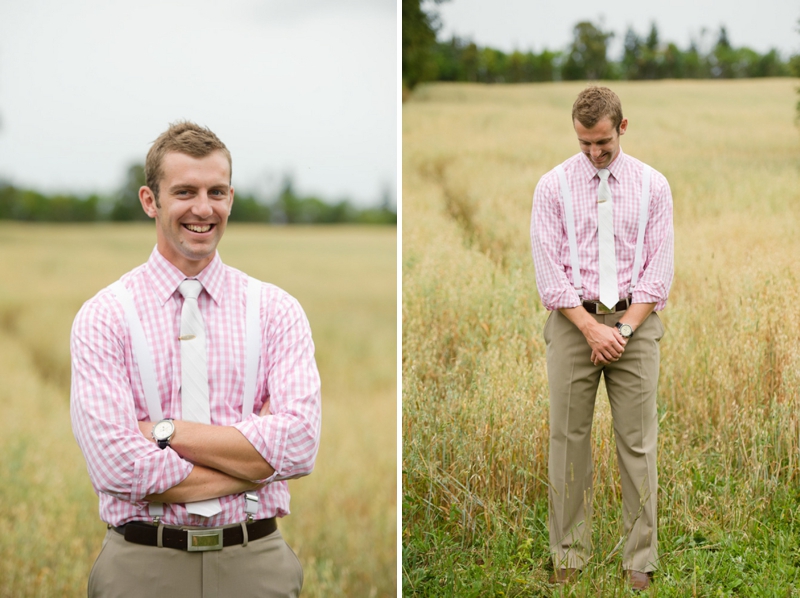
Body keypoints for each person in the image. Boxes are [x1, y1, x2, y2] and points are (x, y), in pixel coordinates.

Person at [70, 121, 322, 598]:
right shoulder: (104, 316)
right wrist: (252, 463)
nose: (203, 209)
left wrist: (164, 432)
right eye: (184, 191)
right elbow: (117, 468)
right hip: (141, 567)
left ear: (231, 196)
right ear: (151, 201)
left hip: (256, 563)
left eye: (217, 191)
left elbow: (300, 445)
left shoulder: (276, 310)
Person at [530, 86, 673, 591]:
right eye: (584, 144)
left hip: (636, 324)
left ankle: (640, 560)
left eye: (603, 144)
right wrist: (591, 328)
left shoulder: (655, 185)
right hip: (574, 326)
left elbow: (659, 271)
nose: (594, 154)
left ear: (622, 128)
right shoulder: (552, 186)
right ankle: (567, 553)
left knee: (637, 443)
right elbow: (549, 273)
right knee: (567, 442)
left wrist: (624, 330)